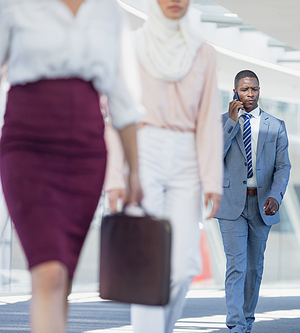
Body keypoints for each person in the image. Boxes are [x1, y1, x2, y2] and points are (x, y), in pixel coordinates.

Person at [0, 0, 143, 332]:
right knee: (48, 273)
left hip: (85, 152)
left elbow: (121, 93)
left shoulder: (108, 10)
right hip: (27, 145)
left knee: (61, 274)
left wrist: (134, 168)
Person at [105, 0, 223, 332]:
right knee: (145, 265)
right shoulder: (131, 46)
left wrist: (212, 179)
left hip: (188, 154)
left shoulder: (203, 52)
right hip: (142, 149)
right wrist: (116, 175)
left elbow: (208, 121)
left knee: (184, 268)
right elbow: (116, 110)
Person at [216, 70, 291, 333]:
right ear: (234, 91)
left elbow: (283, 167)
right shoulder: (222, 122)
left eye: (255, 89)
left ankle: (247, 320)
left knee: (254, 268)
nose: (250, 94)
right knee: (236, 266)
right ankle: (236, 326)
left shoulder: (276, 125)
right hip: (231, 206)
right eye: (245, 89)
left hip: (262, 204)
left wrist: (275, 196)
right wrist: (231, 122)